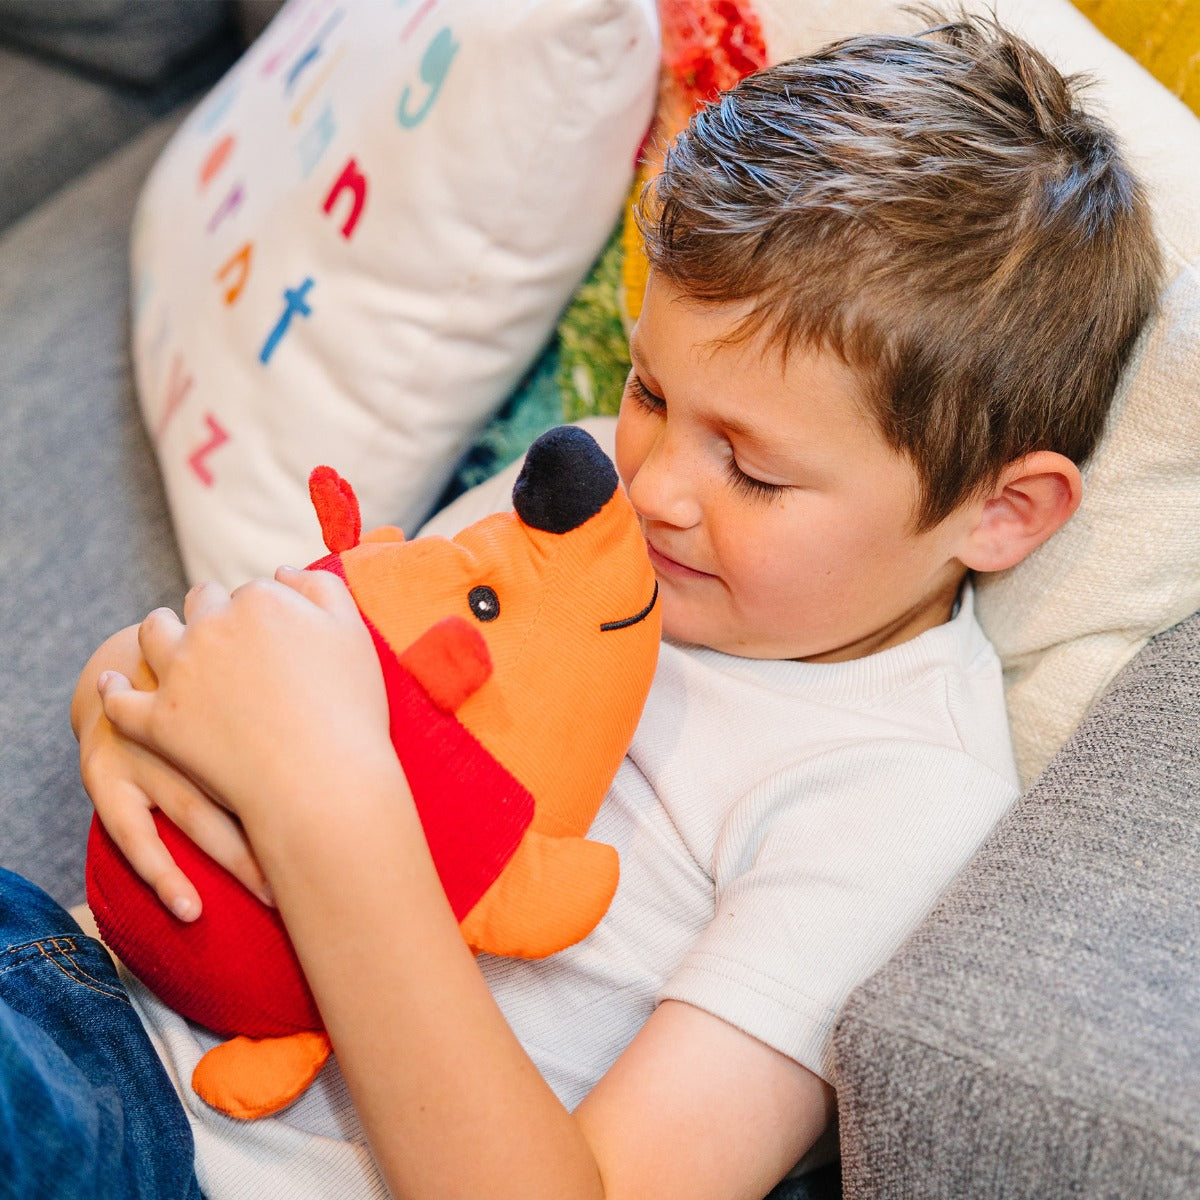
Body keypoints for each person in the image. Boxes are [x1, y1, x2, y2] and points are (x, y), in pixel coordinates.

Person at [6, 11, 1162, 1200]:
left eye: (754, 471)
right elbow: (283, 647)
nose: (650, 487)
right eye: (650, 391)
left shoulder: (893, 800)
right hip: (65, 977)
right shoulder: (578, 490)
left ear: (1004, 511)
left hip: (169, 1155)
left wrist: (328, 813)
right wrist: (121, 702)